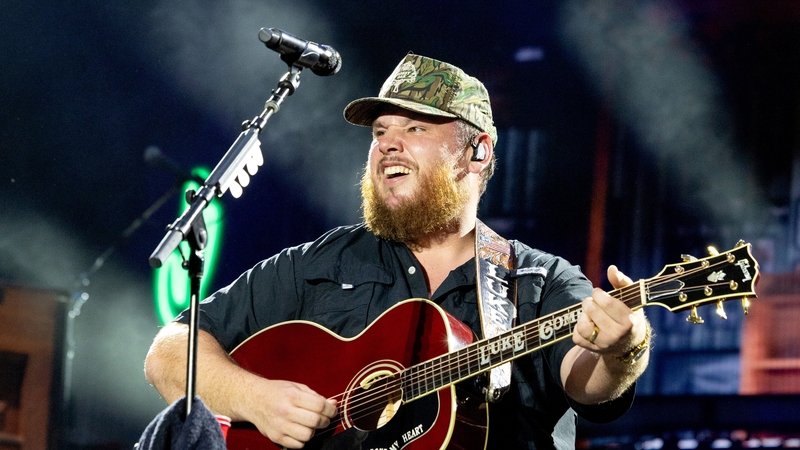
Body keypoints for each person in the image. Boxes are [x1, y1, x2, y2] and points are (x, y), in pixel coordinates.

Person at [144, 54, 650, 450]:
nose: (388, 144)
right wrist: (256, 399)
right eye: (380, 131)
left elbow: (588, 382)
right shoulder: (321, 262)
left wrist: (624, 348)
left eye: (415, 129)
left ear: (478, 152)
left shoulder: (539, 280)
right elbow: (169, 351)